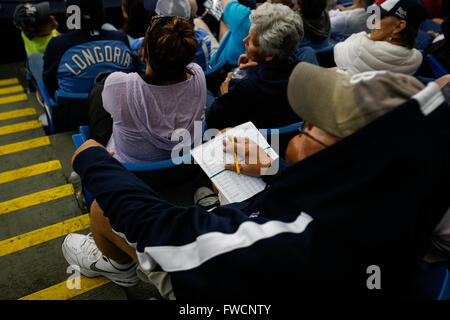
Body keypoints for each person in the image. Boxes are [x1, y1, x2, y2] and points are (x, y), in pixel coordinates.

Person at [61, 62, 450, 299]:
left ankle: (114, 266)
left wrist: (92, 158)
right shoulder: (406, 194)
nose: (302, 127)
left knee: (101, 207)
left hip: (231, 282)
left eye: (313, 126)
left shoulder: (301, 241)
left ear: (347, 162)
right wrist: (276, 168)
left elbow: (162, 230)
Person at [99, 15, 205, 163]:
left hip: (131, 176)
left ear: (143, 55)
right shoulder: (198, 75)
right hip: (184, 170)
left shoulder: (118, 84)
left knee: (98, 92)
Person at [205, 2, 304, 130]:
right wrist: (258, 66)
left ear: (269, 55)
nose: (244, 41)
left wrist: (224, 95)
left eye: (251, 40)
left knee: (204, 88)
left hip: (252, 141)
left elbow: (213, 122)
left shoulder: (242, 86)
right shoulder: (303, 70)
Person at [42, 0, 134, 99]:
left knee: (35, 58)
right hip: (121, 110)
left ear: (69, 16)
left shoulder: (57, 44)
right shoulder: (121, 38)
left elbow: (49, 83)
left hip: (73, 112)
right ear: (102, 13)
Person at [333, 0, 427, 75]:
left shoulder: (361, 47)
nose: (373, 21)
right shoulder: (416, 58)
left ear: (398, 26)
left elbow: (337, 49)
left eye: (381, 17)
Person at [13, 2, 59, 88]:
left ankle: (30, 80)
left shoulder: (25, 32)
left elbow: (19, 16)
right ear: (36, 31)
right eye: (46, 20)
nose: (52, 17)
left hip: (31, 65)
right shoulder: (53, 46)